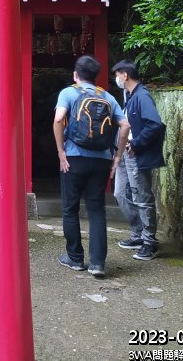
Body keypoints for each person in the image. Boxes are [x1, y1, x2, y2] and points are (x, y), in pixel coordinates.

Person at [53, 55, 129, 278]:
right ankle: (97, 264)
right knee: (96, 209)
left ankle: (75, 258)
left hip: (74, 158)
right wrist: (117, 157)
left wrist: (61, 151)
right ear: (95, 76)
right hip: (102, 160)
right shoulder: (106, 96)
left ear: (76, 74)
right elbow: (125, 125)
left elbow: (58, 119)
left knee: (70, 208)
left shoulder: (68, 93)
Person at [111, 59, 166, 261]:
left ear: (125, 75)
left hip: (136, 153)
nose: (116, 78)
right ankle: (138, 234)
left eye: (117, 75)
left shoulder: (142, 95)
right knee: (120, 193)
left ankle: (149, 241)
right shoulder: (130, 95)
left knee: (142, 197)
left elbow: (155, 124)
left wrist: (137, 143)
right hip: (125, 152)